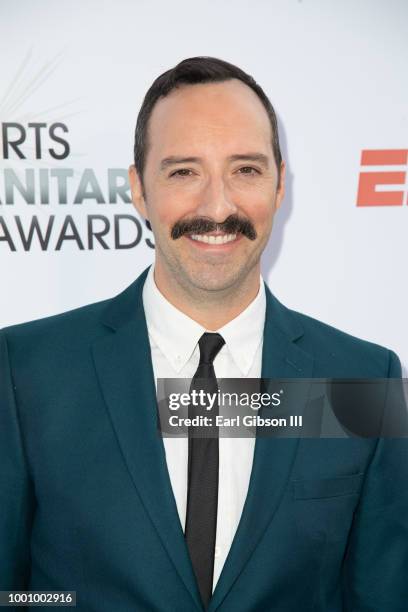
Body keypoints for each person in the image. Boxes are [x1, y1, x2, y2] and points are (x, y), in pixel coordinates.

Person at [1, 56, 407, 612]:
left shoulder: (362, 379)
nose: (218, 207)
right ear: (139, 189)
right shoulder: (26, 371)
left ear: (280, 184)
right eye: (183, 171)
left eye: (245, 170)